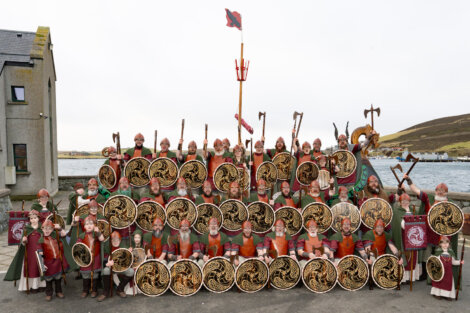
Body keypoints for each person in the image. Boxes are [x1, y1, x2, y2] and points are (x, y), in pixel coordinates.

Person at [4, 210, 46, 292]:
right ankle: (33, 286)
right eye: (31, 218)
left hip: (41, 251)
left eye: (35, 218)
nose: (33, 220)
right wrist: (24, 240)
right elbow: (23, 243)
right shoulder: (27, 229)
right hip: (30, 252)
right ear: (29, 219)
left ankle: (42, 285)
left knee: (40, 267)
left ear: (38, 218)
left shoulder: (42, 227)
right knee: (32, 268)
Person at [390, 193, 423, 283]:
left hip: (412, 239)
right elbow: (402, 224)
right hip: (403, 237)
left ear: (409, 202)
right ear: (400, 202)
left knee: (412, 257)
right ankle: (404, 277)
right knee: (406, 256)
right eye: (403, 201)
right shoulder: (397, 211)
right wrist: (409, 222)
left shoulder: (413, 211)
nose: (405, 203)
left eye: (407, 201)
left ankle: (410, 278)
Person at [37, 219, 73, 301]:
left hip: (57, 262)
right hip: (48, 263)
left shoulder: (55, 235)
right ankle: (49, 293)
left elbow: (64, 234)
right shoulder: (41, 240)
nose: (47, 230)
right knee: (48, 280)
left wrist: (59, 228)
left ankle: (58, 291)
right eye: (45, 228)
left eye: (49, 228)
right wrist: (42, 264)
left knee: (58, 278)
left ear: (53, 229)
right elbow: (39, 253)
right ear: (42, 229)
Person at [98, 231, 133, 301]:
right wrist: (107, 263)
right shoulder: (108, 248)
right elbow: (104, 259)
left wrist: (129, 252)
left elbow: (128, 259)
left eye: (117, 240)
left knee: (131, 272)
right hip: (111, 267)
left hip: (121, 267)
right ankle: (105, 292)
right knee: (106, 270)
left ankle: (120, 289)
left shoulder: (123, 247)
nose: (115, 241)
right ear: (111, 240)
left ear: (120, 240)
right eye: (113, 240)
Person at [76, 216, 105, 298]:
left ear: (94, 225)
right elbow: (78, 246)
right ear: (84, 226)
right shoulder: (82, 235)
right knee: (86, 275)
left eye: (91, 224)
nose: (89, 226)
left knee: (95, 275)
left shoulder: (96, 234)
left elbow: (102, 239)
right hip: (86, 259)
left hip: (95, 257)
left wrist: (98, 232)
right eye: (87, 224)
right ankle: (85, 290)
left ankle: (94, 290)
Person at [429, 236, 464, 300]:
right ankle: (437, 294)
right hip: (440, 271)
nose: (445, 244)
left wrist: (460, 262)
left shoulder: (450, 252)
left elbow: (453, 262)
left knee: (448, 283)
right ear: (440, 244)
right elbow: (434, 261)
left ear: (449, 244)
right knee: (439, 283)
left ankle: (447, 295)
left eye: (447, 243)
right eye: (443, 243)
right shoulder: (438, 252)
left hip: (448, 273)